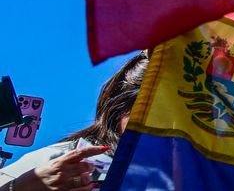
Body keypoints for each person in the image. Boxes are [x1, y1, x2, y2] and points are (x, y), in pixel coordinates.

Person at [0, 53, 147, 191]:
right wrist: (19, 187)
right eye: (149, 112)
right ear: (120, 108)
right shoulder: (56, 162)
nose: (155, 128)